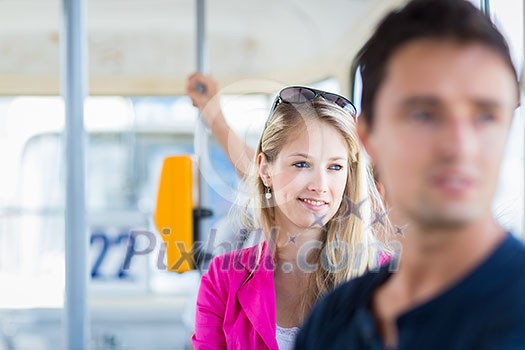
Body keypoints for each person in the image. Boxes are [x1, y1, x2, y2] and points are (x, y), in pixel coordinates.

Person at [294, 0, 525, 349]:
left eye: (486, 116)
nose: (460, 146)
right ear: (368, 136)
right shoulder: (333, 319)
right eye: (424, 115)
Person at [190, 84, 393, 349]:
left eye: (335, 167)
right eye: (301, 164)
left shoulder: (386, 278)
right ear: (265, 169)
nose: (320, 185)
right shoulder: (222, 281)